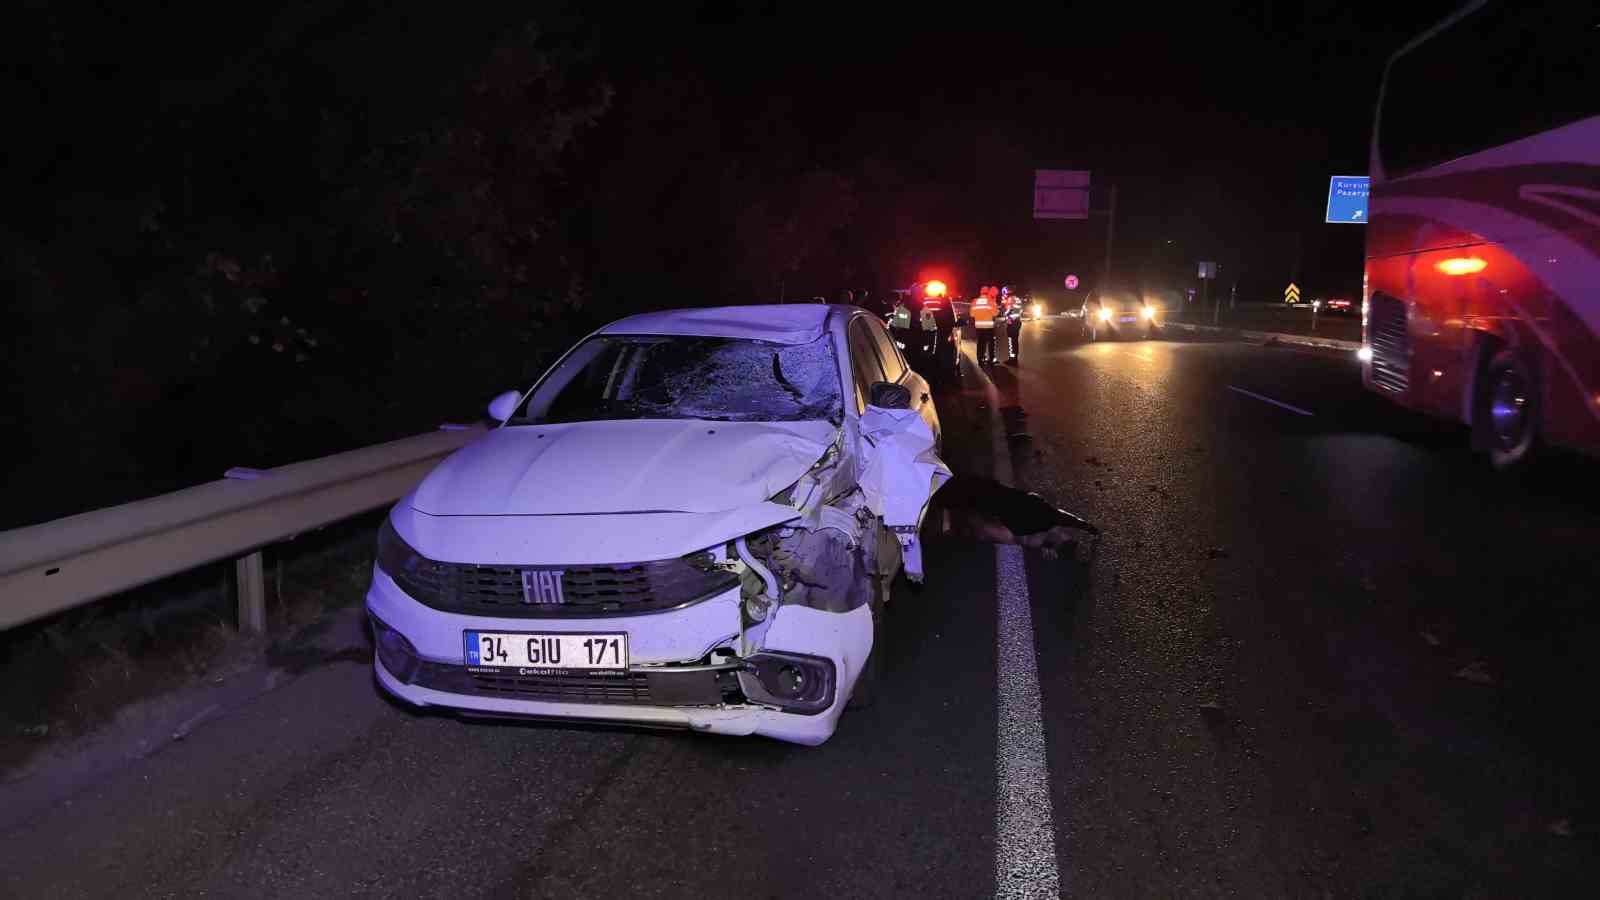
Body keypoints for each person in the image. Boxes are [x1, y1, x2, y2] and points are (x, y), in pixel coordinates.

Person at [971, 287, 998, 366]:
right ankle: (991, 359)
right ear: (988, 292)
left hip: (978, 326)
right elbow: (995, 313)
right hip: (989, 326)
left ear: (981, 292)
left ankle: (980, 359)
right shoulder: (990, 301)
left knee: (980, 343)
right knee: (991, 343)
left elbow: (972, 314)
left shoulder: (975, 301)